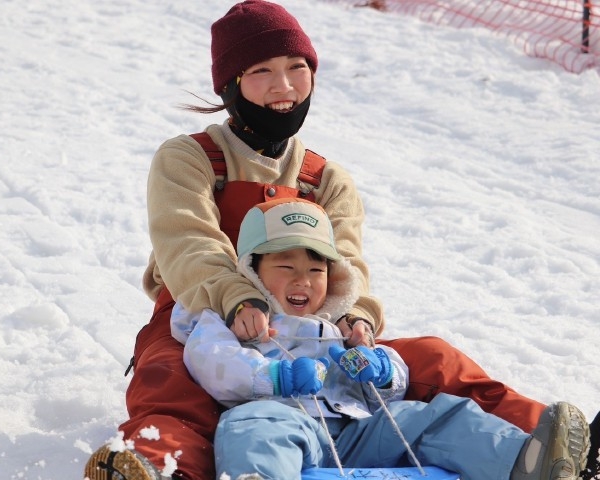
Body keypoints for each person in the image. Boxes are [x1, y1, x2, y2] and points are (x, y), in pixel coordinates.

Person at [82, 1, 599, 479]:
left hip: (311, 324)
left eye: (297, 67)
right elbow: (187, 241)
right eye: (261, 71)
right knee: (171, 381)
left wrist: (354, 316)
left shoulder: (324, 178)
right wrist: (236, 298)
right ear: (230, 85)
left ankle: (551, 452)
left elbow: (346, 260)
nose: (284, 85)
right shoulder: (191, 158)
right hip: (199, 313)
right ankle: (158, 466)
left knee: (434, 359)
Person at [172, 197, 590, 480]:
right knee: (253, 427)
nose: (304, 281)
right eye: (285, 267)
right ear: (252, 270)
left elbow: (389, 391)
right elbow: (211, 360)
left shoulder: (338, 325)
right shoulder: (234, 318)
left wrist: (384, 371)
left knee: (434, 416)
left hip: (358, 430)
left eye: (316, 271)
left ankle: (522, 463)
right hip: (287, 423)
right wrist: (271, 377)